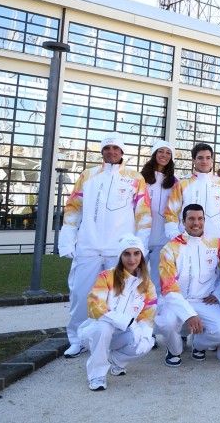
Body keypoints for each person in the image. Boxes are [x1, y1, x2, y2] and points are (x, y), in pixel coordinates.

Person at [59, 132, 151, 358]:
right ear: (102, 152)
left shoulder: (134, 178)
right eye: (107, 148)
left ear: (122, 152)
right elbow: (73, 208)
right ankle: (77, 339)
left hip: (119, 251)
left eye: (116, 149)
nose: (112, 152)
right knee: (81, 294)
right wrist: (68, 239)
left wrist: (141, 247)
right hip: (88, 246)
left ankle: (114, 340)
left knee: (119, 297)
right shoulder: (88, 175)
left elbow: (143, 214)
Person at [154, 204, 220, 367]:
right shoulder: (170, 249)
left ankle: (198, 345)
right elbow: (168, 287)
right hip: (177, 300)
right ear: (183, 221)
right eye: (191, 218)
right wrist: (189, 314)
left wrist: (218, 293)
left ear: (204, 220)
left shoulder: (217, 245)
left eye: (200, 218)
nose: (196, 223)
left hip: (204, 301)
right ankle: (174, 350)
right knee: (165, 323)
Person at [79, 234, 156, 391]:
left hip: (121, 335)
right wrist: (124, 321)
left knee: (147, 343)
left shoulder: (147, 285)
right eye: (126, 253)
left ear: (142, 256)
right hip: (94, 333)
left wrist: (145, 335)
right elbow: (95, 305)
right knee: (104, 327)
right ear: (120, 256)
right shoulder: (107, 276)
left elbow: (148, 315)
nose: (132, 259)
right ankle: (97, 375)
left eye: (136, 253)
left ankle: (117, 360)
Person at [164, 143, 220, 246]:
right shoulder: (183, 183)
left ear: (212, 160)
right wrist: (176, 238)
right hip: (186, 242)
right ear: (193, 160)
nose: (204, 161)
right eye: (200, 158)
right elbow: (171, 213)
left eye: (208, 158)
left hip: (214, 243)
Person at [140, 139, 177, 296]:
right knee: (136, 278)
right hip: (141, 236)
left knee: (158, 280)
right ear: (154, 154)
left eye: (168, 153)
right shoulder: (141, 179)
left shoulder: (175, 182)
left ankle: (155, 314)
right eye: (161, 151)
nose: (164, 155)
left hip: (162, 238)